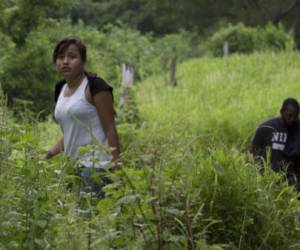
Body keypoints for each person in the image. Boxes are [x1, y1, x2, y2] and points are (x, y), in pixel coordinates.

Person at [46, 37, 120, 196]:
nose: (65, 61)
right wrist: (49, 153)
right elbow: (71, 133)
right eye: (60, 57)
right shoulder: (60, 88)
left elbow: (110, 129)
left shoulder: (95, 86)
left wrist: (117, 169)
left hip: (95, 167)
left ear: (83, 61)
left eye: (72, 57)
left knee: (89, 217)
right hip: (71, 168)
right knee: (72, 218)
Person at [250, 98, 299, 185]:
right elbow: (253, 151)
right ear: (282, 112)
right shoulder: (266, 127)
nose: (292, 119)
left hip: (287, 177)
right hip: (266, 176)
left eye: (295, 117)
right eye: (289, 115)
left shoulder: (297, 129)